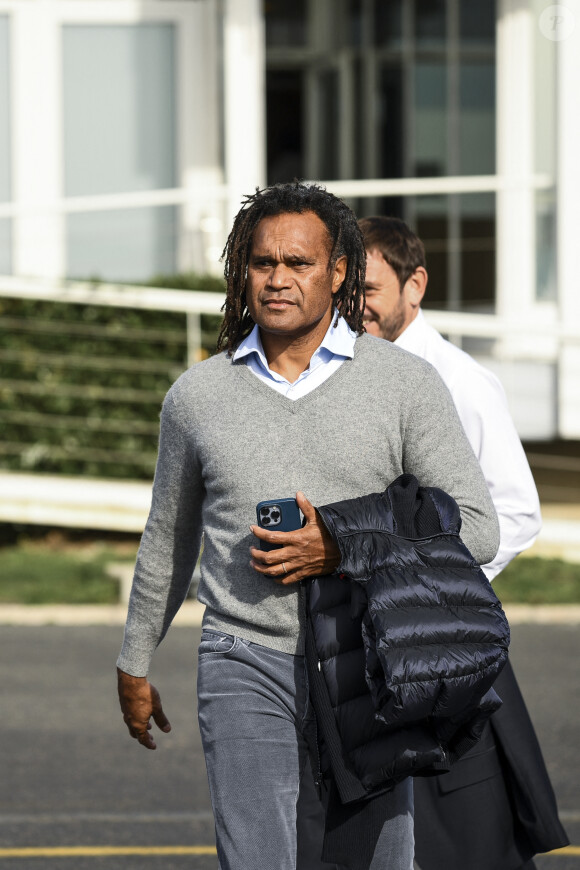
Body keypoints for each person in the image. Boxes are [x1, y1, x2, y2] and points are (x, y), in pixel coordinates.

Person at [116, 182, 500, 870]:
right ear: (242, 270)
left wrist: (343, 546)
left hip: (373, 660)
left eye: (298, 264)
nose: (277, 280)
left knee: (378, 860)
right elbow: (168, 536)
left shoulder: (404, 384)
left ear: (339, 271)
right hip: (241, 655)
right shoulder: (196, 396)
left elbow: (477, 527)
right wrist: (135, 657)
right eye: (262, 263)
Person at [358, 215, 569, 870]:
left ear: (413, 285)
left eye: (367, 286)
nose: (352, 304)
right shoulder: (347, 373)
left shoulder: (459, 380)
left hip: (439, 639)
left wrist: (435, 592)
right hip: (361, 649)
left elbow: (515, 512)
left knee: (465, 832)